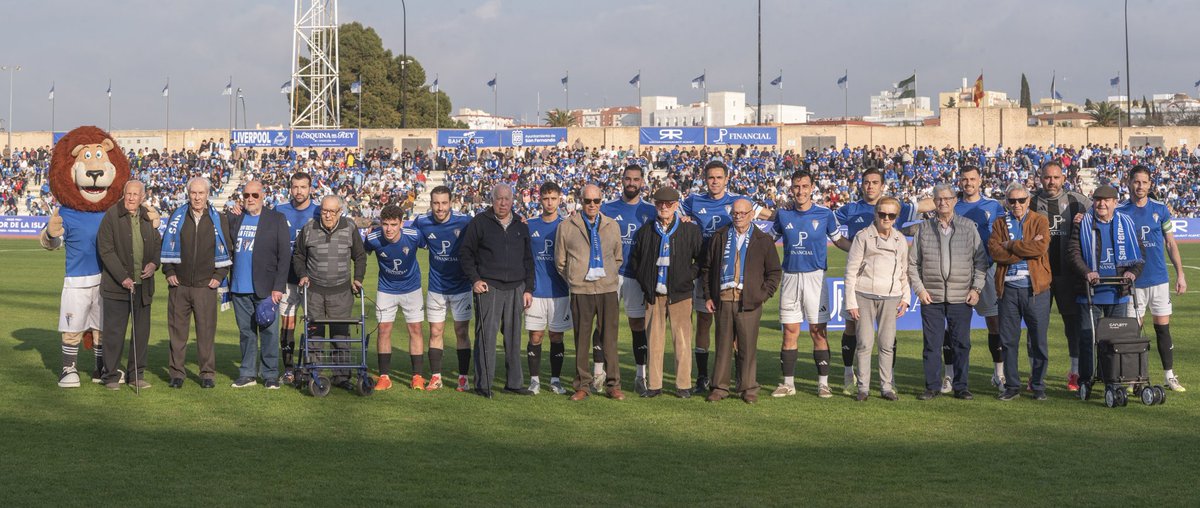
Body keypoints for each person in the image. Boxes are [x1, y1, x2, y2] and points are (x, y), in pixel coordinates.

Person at [834, 168, 932, 394]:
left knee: (887, 338)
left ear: (882, 185)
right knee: (852, 329)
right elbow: (832, 230)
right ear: (862, 184)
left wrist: (945, 199)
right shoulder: (850, 209)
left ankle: (889, 380)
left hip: (888, 287)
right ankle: (849, 373)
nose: (870, 186)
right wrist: (855, 250)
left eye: (875, 182)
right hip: (860, 283)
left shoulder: (895, 206)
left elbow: (924, 206)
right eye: (866, 182)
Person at [680, 160, 769, 393]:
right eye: (711, 177)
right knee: (704, 321)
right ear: (704, 178)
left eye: (719, 177)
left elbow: (771, 216)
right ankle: (702, 377)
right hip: (705, 269)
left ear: (727, 179)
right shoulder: (693, 201)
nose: (715, 181)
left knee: (736, 326)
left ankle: (739, 377)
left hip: (730, 271)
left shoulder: (738, 201)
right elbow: (673, 213)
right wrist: (684, 220)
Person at [770, 170, 850, 398]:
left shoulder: (825, 214)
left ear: (812, 187)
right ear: (791, 189)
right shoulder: (783, 215)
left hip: (815, 277)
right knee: (789, 332)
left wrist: (862, 249)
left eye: (805, 186)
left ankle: (823, 383)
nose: (800, 191)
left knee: (818, 331)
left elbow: (839, 240)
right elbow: (768, 241)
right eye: (796, 186)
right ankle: (788, 384)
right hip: (790, 277)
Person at [909, 184, 987, 401]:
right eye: (938, 199)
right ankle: (932, 386)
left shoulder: (968, 227)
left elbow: (981, 261)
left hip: (961, 296)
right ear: (933, 203)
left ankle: (961, 386)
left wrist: (976, 288)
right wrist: (920, 289)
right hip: (931, 296)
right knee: (931, 345)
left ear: (954, 200)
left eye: (947, 198)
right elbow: (913, 264)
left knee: (961, 344)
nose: (943, 202)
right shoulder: (923, 229)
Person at [701, 198, 782, 404]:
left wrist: (763, 294)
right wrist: (708, 295)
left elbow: (773, 272)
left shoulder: (762, 240)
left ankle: (748, 387)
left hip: (750, 300)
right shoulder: (720, 236)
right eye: (735, 213)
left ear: (752, 215)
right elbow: (707, 268)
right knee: (723, 346)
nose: (738, 217)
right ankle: (719, 387)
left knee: (747, 346)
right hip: (724, 298)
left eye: (743, 213)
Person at [1068, 185, 1144, 399]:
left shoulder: (1126, 223)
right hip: (1090, 292)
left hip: (1118, 291)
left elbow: (1139, 254)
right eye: (1098, 200)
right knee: (1087, 338)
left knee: (1115, 341)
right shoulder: (1082, 223)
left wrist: (1132, 272)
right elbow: (1073, 252)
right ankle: (1085, 379)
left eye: (1106, 200)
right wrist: (1087, 272)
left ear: (1115, 202)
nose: (1102, 203)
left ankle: (1112, 379)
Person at [628, 186, 704, 398]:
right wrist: (645, 282)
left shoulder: (690, 230)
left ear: (676, 206)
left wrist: (687, 276)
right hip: (654, 295)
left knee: (682, 340)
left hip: (680, 294)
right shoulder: (645, 231)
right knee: (654, 341)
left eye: (668, 204)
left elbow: (701, 259)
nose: (664, 207)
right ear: (655, 205)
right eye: (660, 203)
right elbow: (636, 260)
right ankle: (654, 385)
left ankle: (683, 386)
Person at [460, 184, 535, 398]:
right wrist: (475, 279)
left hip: (516, 287)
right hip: (488, 287)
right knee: (487, 337)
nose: (503, 203)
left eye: (507, 199)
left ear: (513, 200)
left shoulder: (521, 225)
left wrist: (528, 288)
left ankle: (514, 383)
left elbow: (528, 260)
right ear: (492, 200)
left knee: (513, 338)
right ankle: (483, 384)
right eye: (498, 198)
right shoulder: (479, 223)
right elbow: (466, 254)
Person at [1118, 165, 1187, 391]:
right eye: (1136, 182)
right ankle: (1131, 377)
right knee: (1133, 333)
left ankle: (1169, 376)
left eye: (1144, 182)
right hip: (1133, 282)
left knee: (1162, 329)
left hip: (1159, 279)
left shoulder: (1160, 209)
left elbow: (1170, 243)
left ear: (1150, 184)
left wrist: (1180, 274)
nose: (1140, 186)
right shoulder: (1120, 211)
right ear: (1129, 182)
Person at [161, 177, 233, 389]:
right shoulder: (177, 216)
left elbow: (228, 250)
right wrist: (169, 270)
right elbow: (165, 246)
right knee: (177, 333)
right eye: (193, 193)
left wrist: (219, 277)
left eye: (201, 193)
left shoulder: (218, 219)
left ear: (208, 194)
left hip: (205, 287)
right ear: (188, 194)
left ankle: (207, 374)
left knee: (206, 333)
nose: (197, 197)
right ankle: (176, 374)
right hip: (179, 285)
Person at [556, 184, 624, 401]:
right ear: (581, 201)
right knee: (582, 340)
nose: (592, 205)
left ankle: (613, 384)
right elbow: (560, 261)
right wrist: (575, 278)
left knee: (610, 339)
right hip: (581, 290)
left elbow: (618, 257)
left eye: (596, 201)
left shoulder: (612, 226)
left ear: (601, 202)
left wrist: (609, 275)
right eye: (588, 201)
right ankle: (583, 385)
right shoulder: (567, 226)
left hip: (607, 289)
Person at [292, 195, 367, 392]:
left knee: (340, 336)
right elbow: (298, 255)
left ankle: (341, 377)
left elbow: (360, 256)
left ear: (340, 212)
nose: (327, 215)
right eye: (324, 210)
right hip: (314, 291)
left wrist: (358, 278)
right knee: (314, 336)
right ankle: (312, 374)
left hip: (341, 292)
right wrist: (303, 275)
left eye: (332, 211)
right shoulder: (309, 228)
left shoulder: (350, 227)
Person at [1031, 161, 1090, 391]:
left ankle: (1074, 372)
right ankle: (1035, 374)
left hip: (1069, 277)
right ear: (1041, 178)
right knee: (1037, 325)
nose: (1051, 182)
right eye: (1047, 177)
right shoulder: (1031, 202)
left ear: (1063, 178)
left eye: (1056, 177)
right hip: (1040, 275)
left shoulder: (1078, 201)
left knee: (1072, 325)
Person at [989, 183, 1052, 401]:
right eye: (1012, 201)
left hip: (1036, 290)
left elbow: (1040, 248)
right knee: (1008, 341)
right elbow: (996, 253)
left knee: (1039, 341)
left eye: (1021, 200)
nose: (1016, 205)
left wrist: (1011, 245)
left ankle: (1037, 385)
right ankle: (1012, 386)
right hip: (1008, 291)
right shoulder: (999, 223)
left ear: (1028, 200)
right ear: (1006, 201)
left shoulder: (1040, 220)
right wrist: (1024, 247)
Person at [844, 197, 911, 402]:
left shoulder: (900, 239)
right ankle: (863, 388)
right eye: (882, 214)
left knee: (886, 344)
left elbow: (903, 272)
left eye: (891, 215)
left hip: (891, 297)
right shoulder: (863, 237)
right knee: (864, 343)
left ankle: (886, 387)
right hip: (864, 295)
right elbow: (851, 271)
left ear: (896, 217)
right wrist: (851, 303)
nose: (886, 218)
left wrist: (906, 298)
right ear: (876, 214)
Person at [96, 180, 161, 390]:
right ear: (123, 194)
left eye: (136, 194)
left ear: (143, 197)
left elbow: (157, 245)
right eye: (128, 193)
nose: (132, 198)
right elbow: (105, 249)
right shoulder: (111, 216)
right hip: (117, 286)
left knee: (141, 333)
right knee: (114, 333)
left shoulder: (147, 217)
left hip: (143, 286)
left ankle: (136, 374)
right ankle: (111, 375)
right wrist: (122, 276)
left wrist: (154, 263)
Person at [228, 180, 291, 389]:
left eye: (254, 195)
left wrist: (278, 287)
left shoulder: (276, 219)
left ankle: (270, 374)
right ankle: (247, 373)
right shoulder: (235, 218)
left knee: (269, 333)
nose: (250, 199)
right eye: (246, 195)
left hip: (266, 288)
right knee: (246, 334)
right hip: (239, 288)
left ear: (263, 196)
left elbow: (284, 256)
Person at [600, 164, 656, 394]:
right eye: (627, 179)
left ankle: (640, 375)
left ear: (642, 182)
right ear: (621, 180)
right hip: (611, 274)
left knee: (637, 324)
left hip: (636, 276)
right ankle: (598, 373)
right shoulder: (607, 208)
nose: (631, 183)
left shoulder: (651, 211)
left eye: (636, 179)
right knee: (604, 323)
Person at [413, 186, 475, 392]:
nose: (440, 208)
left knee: (461, 331)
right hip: (436, 287)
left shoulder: (465, 221)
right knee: (435, 331)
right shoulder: (422, 222)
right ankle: (436, 377)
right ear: (431, 203)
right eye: (436, 203)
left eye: (444, 203)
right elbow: (405, 235)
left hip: (462, 286)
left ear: (451, 202)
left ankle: (463, 377)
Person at [954, 165, 1008, 392]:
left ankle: (999, 373)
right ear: (960, 182)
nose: (969, 183)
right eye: (965, 179)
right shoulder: (952, 205)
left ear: (980, 180)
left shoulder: (993, 206)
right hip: (957, 273)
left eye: (972, 179)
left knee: (994, 323)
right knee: (954, 326)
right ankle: (951, 376)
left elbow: (1004, 235)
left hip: (986, 270)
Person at [364, 204, 427, 391]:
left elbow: (432, 245)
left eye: (393, 224)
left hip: (412, 288)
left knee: (415, 329)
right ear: (380, 223)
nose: (389, 229)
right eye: (385, 224)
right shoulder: (373, 238)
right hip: (386, 290)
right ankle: (384, 377)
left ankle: (417, 377)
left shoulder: (414, 236)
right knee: (383, 330)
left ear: (401, 223)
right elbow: (360, 254)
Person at [525, 182, 572, 395]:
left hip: (559, 292)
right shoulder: (530, 225)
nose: (550, 202)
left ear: (560, 198)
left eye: (553, 198)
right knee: (536, 336)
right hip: (535, 292)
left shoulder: (568, 225)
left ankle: (555, 380)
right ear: (540, 199)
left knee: (556, 336)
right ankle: (534, 380)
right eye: (546, 198)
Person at [274, 172, 321, 384]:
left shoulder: (320, 211)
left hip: (313, 278)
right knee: (288, 323)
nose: (299, 191)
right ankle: (289, 368)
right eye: (295, 187)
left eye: (303, 187)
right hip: (287, 277)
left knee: (313, 322)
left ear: (311, 188)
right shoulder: (279, 210)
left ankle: (313, 366)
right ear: (290, 188)